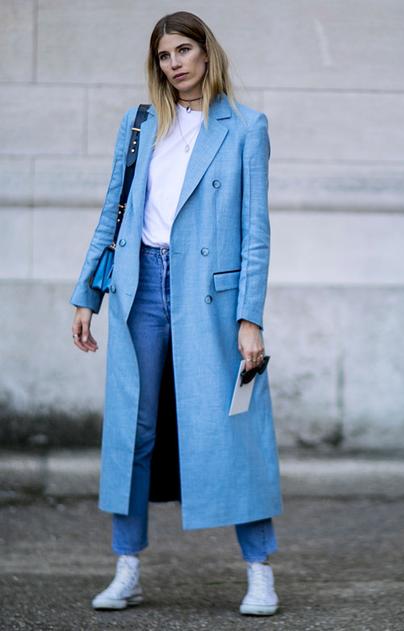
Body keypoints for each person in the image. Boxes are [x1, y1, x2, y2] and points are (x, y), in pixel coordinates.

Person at [70, 10, 283, 616]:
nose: (175, 64)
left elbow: (255, 233)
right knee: (134, 434)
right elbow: (114, 213)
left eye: (184, 50)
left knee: (233, 429)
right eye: (165, 56)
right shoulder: (140, 125)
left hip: (211, 299)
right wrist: (88, 293)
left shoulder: (245, 127)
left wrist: (250, 317)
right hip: (143, 291)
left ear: (206, 53)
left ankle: (259, 572)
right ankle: (127, 567)